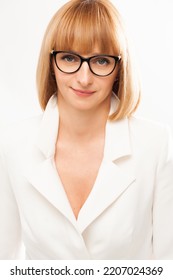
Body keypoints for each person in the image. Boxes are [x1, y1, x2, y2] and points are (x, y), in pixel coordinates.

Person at [0, 0, 173, 260]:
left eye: (101, 61)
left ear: (119, 68)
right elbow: (4, 264)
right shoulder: (13, 144)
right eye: (69, 58)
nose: (84, 78)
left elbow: (167, 265)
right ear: (51, 62)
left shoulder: (156, 145)